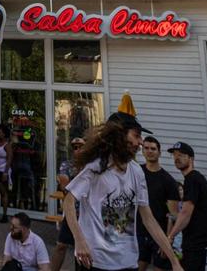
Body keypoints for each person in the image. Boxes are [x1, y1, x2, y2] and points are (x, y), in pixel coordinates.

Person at [63, 113, 183, 271]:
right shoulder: (96, 167)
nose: (140, 142)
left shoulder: (136, 171)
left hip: (128, 263)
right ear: (119, 135)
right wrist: (79, 240)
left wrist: (174, 262)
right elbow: (68, 201)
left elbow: (148, 219)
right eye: (136, 135)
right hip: (95, 262)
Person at [167, 142, 207, 271]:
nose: (177, 158)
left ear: (191, 159)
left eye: (181, 155)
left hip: (197, 245)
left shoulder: (192, 179)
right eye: (175, 155)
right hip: (199, 243)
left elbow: (186, 213)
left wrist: (170, 237)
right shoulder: (195, 178)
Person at [138, 136, 180, 271]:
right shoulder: (136, 173)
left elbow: (173, 214)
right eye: (146, 148)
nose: (150, 151)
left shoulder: (168, 181)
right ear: (143, 151)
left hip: (159, 233)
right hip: (138, 232)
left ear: (159, 153)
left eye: (153, 149)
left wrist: (167, 240)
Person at [50, 136, 85, 271]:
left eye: (80, 147)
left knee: (80, 249)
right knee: (61, 245)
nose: (77, 150)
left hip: (87, 215)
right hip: (72, 213)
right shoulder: (66, 165)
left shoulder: (91, 166)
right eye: (75, 148)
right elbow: (65, 185)